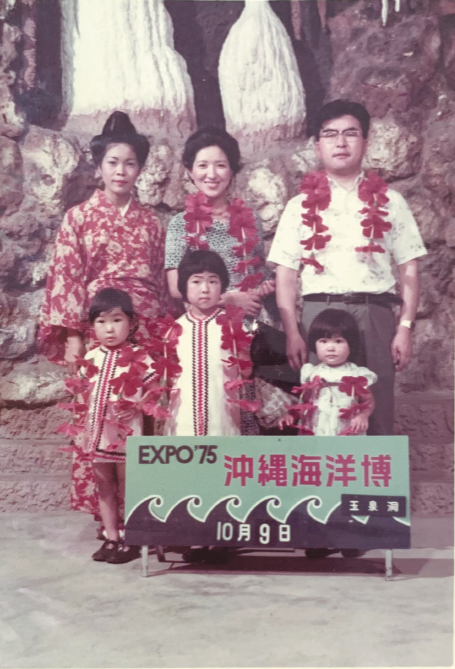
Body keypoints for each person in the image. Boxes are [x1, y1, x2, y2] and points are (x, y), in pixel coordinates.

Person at [268, 99, 427, 435]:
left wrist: (405, 327)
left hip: (374, 314)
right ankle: (325, 473)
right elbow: (286, 275)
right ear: (317, 145)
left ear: (365, 142)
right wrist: (293, 331)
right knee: (319, 413)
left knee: (376, 409)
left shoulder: (391, 202)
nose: (340, 142)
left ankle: (376, 472)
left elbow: (409, 269)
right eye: (330, 134)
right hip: (319, 316)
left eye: (350, 133)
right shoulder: (298, 206)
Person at [39, 111, 167, 517]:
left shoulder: (152, 222)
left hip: (144, 329)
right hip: (100, 330)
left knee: (142, 416)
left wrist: (163, 340)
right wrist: (74, 337)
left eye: (130, 163)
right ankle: (106, 517)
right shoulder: (78, 217)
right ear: (99, 166)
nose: (121, 171)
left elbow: (161, 283)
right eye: (113, 162)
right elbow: (67, 277)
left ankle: (143, 513)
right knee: (100, 421)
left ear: (140, 169)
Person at [165, 126, 274, 436]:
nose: (211, 174)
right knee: (208, 412)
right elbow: (175, 287)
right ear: (190, 171)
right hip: (204, 332)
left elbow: (256, 273)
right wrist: (229, 299)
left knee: (247, 416)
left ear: (232, 170)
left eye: (220, 165)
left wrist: (265, 287)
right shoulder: (180, 225)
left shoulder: (250, 220)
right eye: (202, 165)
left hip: (249, 331)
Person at [68, 288, 155, 563]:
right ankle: (111, 536)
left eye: (117, 320)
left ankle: (132, 538)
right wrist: (82, 431)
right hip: (98, 433)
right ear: (92, 326)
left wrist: (138, 406)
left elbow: (155, 390)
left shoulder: (140, 356)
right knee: (104, 486)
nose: (109, 329)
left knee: (129, 486)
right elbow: (82, 397)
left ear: (131, 322)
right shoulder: (91, 358)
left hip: (127, 435)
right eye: (101, 321)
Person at [163, 250, 252, 437]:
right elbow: (169, 376)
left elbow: (246, 370)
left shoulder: (232, 324)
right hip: (183, 417)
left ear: (222, 286)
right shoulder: (175, 329)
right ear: (184, 286)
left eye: (212, 281)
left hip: (222, 415)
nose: (205, 289)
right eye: (196, 281)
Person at [279, 309, 377, 436]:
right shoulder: (312, 372)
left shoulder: (356, 374)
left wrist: (363, 416)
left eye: (338, 341)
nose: (330, 348)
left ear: (351, 345)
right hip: (318, 425)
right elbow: (305, 402)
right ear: (314, 344)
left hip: (345, 426)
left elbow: (368, 402)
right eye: (323, 341)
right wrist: (292, 415)